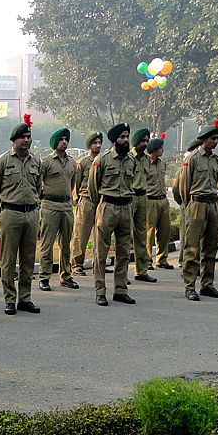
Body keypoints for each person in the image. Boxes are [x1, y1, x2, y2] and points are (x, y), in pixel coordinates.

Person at [0, 114, 42, 315]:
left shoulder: (36, 162)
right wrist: (4, 210)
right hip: (10, 213)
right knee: (9, 259)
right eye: (23, 137)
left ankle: (25, 298)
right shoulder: (2, 162)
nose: (26, 140)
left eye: (28, 137)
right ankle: (10, 299)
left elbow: (38, 187)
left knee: (28, 259)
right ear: (14, 140)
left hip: (31, 213)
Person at [177, 120, 218, 301]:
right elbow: (184, 186)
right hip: (197, 204)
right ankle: (190, 286)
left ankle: (207, 284)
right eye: (213, 138)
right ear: (204, 140)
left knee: (211, 246)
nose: (216, 141)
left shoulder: (216, 159)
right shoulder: (192, 159)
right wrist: (190, 206)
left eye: (217, 138)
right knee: (192, 247)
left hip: (212, 204)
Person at [88, 122, 135, 306]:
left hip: (126, 207)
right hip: (108, 206)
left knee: (124, 251)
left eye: (127, 136)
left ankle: (120, 290)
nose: (125, 140)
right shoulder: (102, 159)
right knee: (101, 251)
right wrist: (100, 206)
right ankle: (100, 290)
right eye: (122, 137)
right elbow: (93, 187)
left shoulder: (131, 161)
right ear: (115, 140)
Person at [38, 127, 79, 291]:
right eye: (61, 140)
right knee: (47, 244)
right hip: (49, 206)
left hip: (66, 206)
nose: (64, 142)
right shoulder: (46, 162)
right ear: (55, 143)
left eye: (66, 139)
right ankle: (44, 277)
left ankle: (66, 276)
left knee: (66, 243)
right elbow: (38, 183)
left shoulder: (72, 163)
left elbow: (72, 183)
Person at [71, 131, 103, 277]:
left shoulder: (103, 161)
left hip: (101, 202)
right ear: (89, 145)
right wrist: (77, 199)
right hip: (86, 200)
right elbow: (76, 184)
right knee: (81, 235)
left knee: (101, 235)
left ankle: (99, 263)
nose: (98, 145)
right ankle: (77, 265)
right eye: (95, 143)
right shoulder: (83, 163)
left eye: (99, 143)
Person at [129, 128, 157, 282]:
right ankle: (122, 274)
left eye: (147, 141)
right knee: (125, 236)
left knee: (141, 236)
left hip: (142, 197)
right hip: (130, 197)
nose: (145, 144)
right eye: (142, 141)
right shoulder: (128, 157)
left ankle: (141, 271)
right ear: (136, 142)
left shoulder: (146, 159)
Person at [145, 136, 174, 270]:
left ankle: (162, 259)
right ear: (154, 150)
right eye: (161, 148)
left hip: (163, 199)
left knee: (165, 230)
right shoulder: (144, 164)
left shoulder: (162, 164)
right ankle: (146, 259)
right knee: (149, 232)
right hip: (150, 200)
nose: (163, 150)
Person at [173, 139, 202, 267]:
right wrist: (185, 202)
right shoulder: (184, 167)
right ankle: (184, 261)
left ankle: (195, 260)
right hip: (188, 203)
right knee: (186, 234)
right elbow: (176, 189)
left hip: (198, 204)